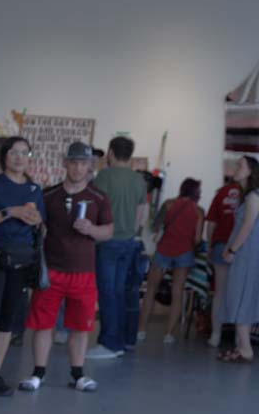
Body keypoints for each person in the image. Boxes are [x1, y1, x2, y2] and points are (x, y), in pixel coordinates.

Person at [19, 142, 113, 393]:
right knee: (43, 324)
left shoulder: (99, 198)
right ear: (65, 163)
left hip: (83, 272)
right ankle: (37, 373)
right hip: (50, 271)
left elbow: (108, 231)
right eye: (73, 162)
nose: (78, 167)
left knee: (80, 326)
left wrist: (91, 230)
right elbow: (38, 226)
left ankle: (78, 374)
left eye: (83, 163)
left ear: (90, 166)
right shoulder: (48, 195)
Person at [0, 136, 44, 397]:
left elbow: (39, 223)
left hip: (21, 258)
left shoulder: (35, 189)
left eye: (25, 153)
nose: (19, 157)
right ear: (4, 156)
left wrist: (35, 219)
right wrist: (9, 212)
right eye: (14, 152)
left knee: (7, 319)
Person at [89, 136, 149, 359]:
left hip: (107, 241)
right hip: (129, 242)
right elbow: (142, 212)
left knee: (107, 293)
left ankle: (109, 343)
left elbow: (95, 205)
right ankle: (121, 341)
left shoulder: (104, 175)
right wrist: (133, 233)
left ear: (111, 152)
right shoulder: (138, 180)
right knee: (120, 292)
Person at [139, 177, 205, 344]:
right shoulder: (199, 212)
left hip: (163, 251)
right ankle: (169, 334)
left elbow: (155, 227)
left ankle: (142, 330)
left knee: (151, 290)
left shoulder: (168, 204)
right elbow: (197, 239)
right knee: (177, 293)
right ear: (196, 193)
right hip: (184, 253)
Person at [217, 156, 259, 362]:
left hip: (247, 252)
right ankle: (241, 345)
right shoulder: (248, 196)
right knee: (239, 294)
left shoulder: (254, 197)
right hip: (246, 251)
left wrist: (232, 250)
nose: (236, 168)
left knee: (242, 294)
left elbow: (247, 226)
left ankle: (245, 348)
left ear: (250, 171)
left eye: (240, 165)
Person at [206, 159, 247, 347]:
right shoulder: (251, 194)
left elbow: (211, 223)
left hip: (221, 245)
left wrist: (209, 245)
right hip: (242, 247)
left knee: (220, 293)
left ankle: (216, 335)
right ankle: (240, 339)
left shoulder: (221, 193)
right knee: (240, 293)